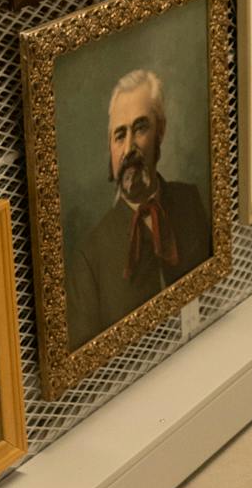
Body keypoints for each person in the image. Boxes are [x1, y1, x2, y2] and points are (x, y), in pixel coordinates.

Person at [65, 68, 212, 352]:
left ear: (161, 131)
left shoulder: (190, 201)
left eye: (141, 128)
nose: (129, 148)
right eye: (119, 136)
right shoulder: (90, 258)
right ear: (110, 149)